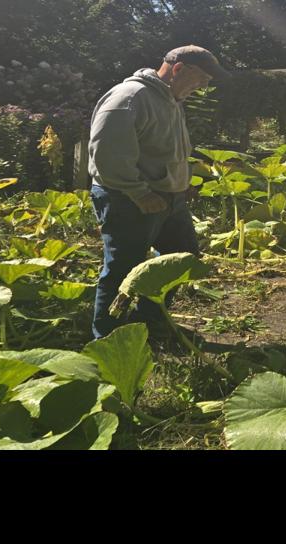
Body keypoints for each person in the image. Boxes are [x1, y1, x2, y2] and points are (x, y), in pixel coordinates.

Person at [86, 45, 231, 339]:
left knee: (182, 256)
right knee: (122, 269)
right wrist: (139, 193)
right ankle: (108, 339)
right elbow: (107, 156)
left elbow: (164, 150)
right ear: (178, 69)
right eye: (201, 78)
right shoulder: (130, 97)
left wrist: (181, 182)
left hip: (168, 198)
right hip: (129, 199)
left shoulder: (171, 99)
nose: (203, 86)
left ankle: (149, 321)